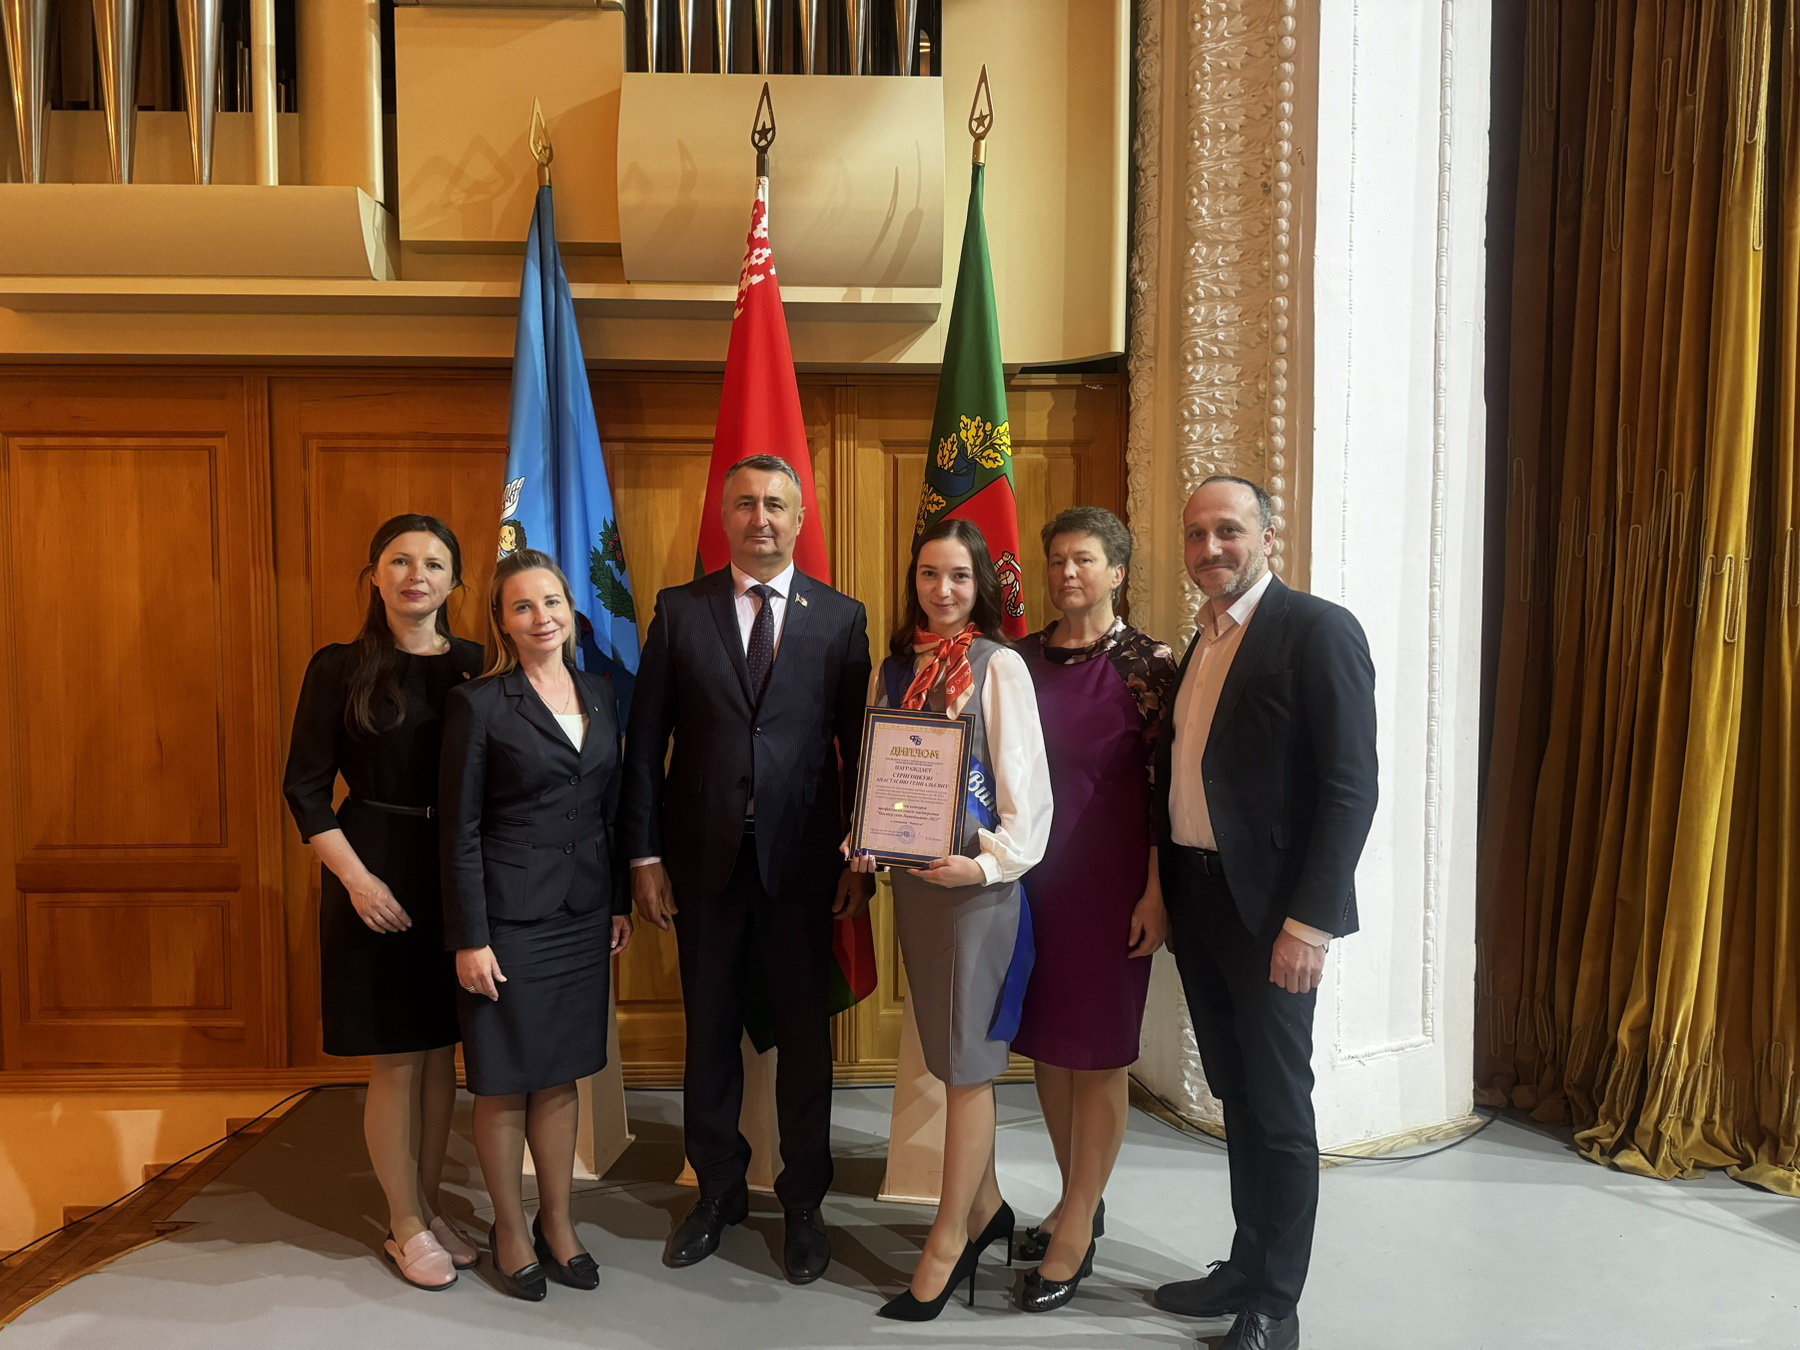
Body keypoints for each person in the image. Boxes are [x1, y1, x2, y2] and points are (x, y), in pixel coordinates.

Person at [621, 454, 872, 1286]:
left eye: (775, 504)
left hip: (803, 869)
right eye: (744, 504)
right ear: (723, 517)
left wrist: (858, 860)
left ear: (800, 520)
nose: (760, 517)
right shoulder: (679, 611)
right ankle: (718, 1190)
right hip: (702, 866)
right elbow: (645, 741)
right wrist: (646, 854)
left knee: (805, 1041)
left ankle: (804, 1203)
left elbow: (859, 753)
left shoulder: (840, 620)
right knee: (709, 1036)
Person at [1152, 477, 1378, 1350]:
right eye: (1197, 534)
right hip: (1200, 901)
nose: (1212, 548)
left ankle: (1276, 1304)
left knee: (1279, 1105)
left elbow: (1350, 787)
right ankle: (1245, 1266)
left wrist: (1310, 923)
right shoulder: (1201, 641)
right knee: (1237, 1095)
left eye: (1229, 530)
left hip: (1274, 915)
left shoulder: (1318, 631)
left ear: (1268, 536)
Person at [850, 517, 1052, 1322]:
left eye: (960, 577)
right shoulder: (895, 667)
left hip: (974, 893)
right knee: (946, 1057)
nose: (943, 590)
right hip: (917, 892)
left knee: (969, 1070)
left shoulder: (998, 668)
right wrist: (866, 836)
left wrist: (984, 863)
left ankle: (947, 1242)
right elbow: (882, 774)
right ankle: (988, 1205)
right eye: (930, 575)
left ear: (982, 587)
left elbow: (1026, 797)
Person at [282, 513, 485, 1291]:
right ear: (374, 575)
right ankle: (404, 1226)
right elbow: (304, 791)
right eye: (399, 560)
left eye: (434, 563)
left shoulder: (474, 665)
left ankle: (427, 1206)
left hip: (452, 875)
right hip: (371, 872)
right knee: (397, 1059)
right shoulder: (339, 667)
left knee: (442, 1056)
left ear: (455, 584)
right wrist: (357, 880)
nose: (415, 575)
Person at [439, 549, 634, 1302]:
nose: (541, 617)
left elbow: (609, 811)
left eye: (551, 602)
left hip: (583, 913)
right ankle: (511, 1227)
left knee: (561, 1074)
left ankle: (559, 1221)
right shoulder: (480, 705)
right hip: (506, 920)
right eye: (522, 607)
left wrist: (615, 898)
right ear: (502, 622)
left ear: (569, 610)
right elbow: (457, 830)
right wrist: (468, 936)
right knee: (504, 1080)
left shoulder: (600, 692)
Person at [1011, 507, 1177, 1312]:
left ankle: (1076, 1222)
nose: (1067, 573)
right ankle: (1081, 1194)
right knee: (1047, 1045)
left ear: (1117, 572)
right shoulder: (1015, 661)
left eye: (1084, 560)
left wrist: (1156, 888)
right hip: (1032, 884)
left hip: (1114, 886)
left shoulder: (1151, 666)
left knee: (1100, 1052)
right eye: (1056, 561)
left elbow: (1165, 791)